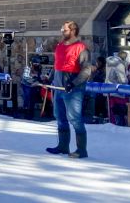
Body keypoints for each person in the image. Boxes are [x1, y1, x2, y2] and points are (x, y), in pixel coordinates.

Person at [46, 21, 93, 159]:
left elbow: (86, 70)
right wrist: (49, 78)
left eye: (64, 30)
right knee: (59, 116)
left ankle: (81, 149)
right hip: (58, 87)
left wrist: (73, 83)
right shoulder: (60, 46)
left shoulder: (81, 48)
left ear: (72, 31)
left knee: (74, 118)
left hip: (73, 89)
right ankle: (63, 145)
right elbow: (57, 65)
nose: (62, 31)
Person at [105, 51, 129, 125]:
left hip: (108, 89)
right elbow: (123, 80)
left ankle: (112, 123)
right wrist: (128, 78)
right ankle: (119, 125)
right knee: (119, 109)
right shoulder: (120, 64)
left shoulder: (109, 62)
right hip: (117, 91)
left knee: (111, 109)